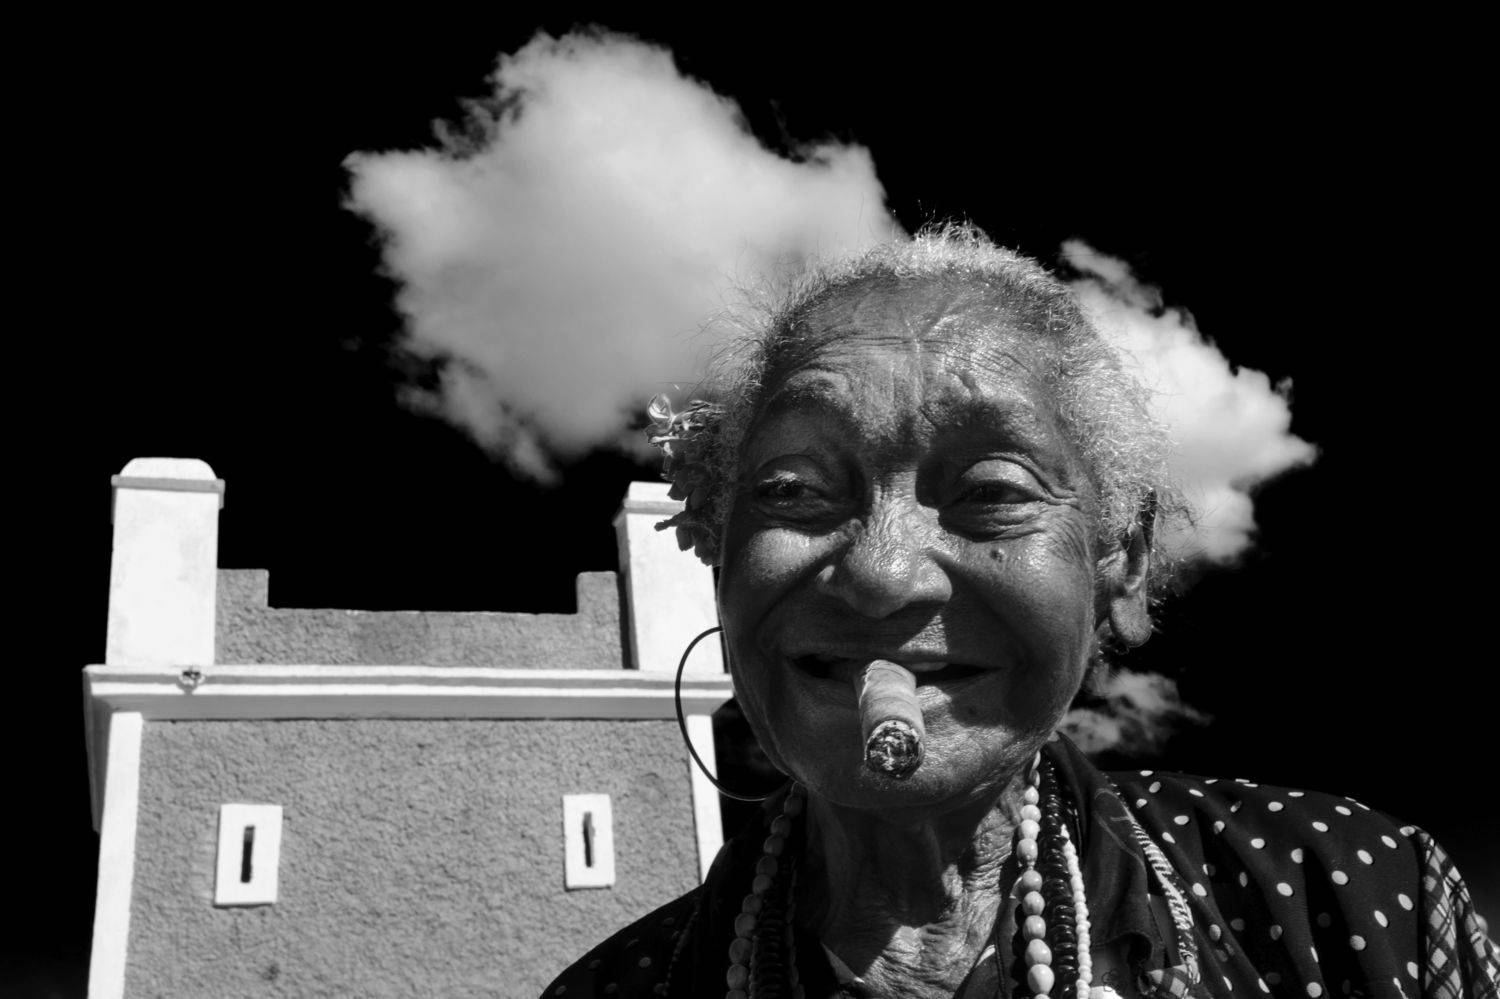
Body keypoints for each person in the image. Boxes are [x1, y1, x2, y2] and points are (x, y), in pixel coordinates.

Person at [541, 225, 1498, 999]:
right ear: (721, 547)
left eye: (993, 490)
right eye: (793, 490)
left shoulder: (1356, 901)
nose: (882, 576)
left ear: (1116, 555)